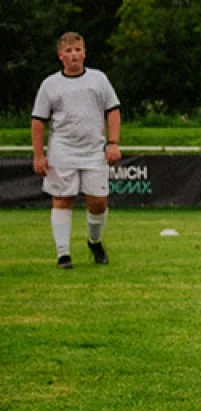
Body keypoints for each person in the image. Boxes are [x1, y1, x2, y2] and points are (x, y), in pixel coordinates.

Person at [31, 32, 121, 269]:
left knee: (98, 202)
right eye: (69, 51)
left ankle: (95, 241)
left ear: (84, 53)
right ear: (60, 55)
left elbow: (113, 110)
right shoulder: (50, 84)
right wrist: (39, 155)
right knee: (62, 200)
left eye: (78, 50)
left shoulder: (98, 79)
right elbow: (38, 120)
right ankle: (63, 254)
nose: (74, 55)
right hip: (62, 150)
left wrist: (113, 142)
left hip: (93, 150)